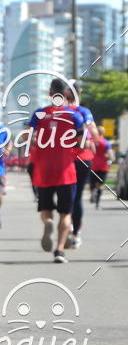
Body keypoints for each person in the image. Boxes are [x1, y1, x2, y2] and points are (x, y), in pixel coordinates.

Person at [29, 79, 84, 263]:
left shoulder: (39, 114)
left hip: (43, 169)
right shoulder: (74, 116)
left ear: (50, 94)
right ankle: (59, 251)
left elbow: (29, 137)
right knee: (66, 213)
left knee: (45, 209)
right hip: (66, 170)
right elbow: (82, 140)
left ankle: (48, 223)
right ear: (66, 94)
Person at [64, 81, 98, 248]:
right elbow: (95, 135)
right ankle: (76, 234)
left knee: (64, 196)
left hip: (62, 160)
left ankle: (67, 228)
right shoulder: (84, 112)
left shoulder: (58, 111)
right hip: (83, 159)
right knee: (77, 198)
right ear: (80, 93)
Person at [90, 128, 113, 209]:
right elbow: (111, 156)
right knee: (100, 185)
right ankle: (97, 203)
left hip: (93, 165)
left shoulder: (92, 141)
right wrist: (110, 158)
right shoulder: (106, 143)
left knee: (92, 182)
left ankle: (92, 191)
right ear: (103, 133)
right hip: (103, 167)